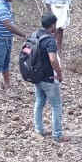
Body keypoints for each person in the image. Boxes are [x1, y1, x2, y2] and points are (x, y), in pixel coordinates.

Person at [32, 12, 68, 142]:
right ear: (52, 25)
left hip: (36, 75)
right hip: (49, 78)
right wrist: (59, 74)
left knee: (39, 102)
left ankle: (39, 129)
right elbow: (53, 60)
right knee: (56, 105)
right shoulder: (49, 40)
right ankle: (57, 134)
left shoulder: (35, 35)